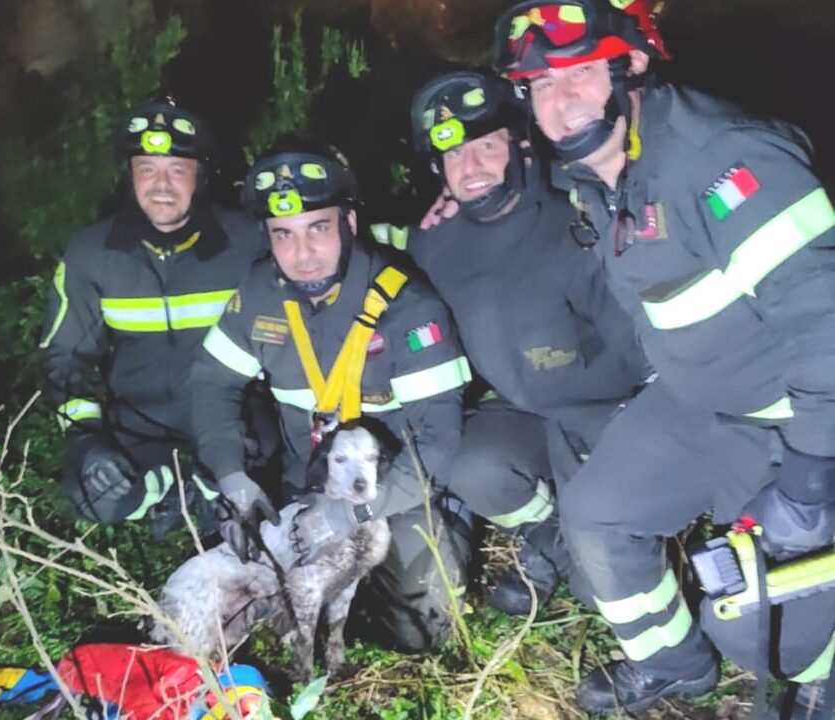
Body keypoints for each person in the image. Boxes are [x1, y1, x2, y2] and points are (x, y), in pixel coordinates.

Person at [494, 0, 835, 714]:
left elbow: (825, 323)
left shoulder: (723, 160)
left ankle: (819, 675)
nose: (559, 105)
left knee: (758, 634)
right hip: (693, 401)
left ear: (633, 65)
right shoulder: (600, 171)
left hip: (790, 421)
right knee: (596, 513)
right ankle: (677, 668)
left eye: (579, 74)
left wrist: (807, 476)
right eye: (539, 88)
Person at [373, 69, 648, 616]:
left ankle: (593, 533)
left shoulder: (581, 210)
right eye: (453, 156)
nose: (470, 169)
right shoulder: (433, 237)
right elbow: (361, 250)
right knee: (470, 467)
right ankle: (549, 531)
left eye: (486, 147)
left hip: (615, 414)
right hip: (524, 412)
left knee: (604, 591)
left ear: (522, 145)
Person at [190, 141, 473, 652]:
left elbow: (438, 448)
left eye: (318, 228)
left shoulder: (407, 307)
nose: (302, 253)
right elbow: (211, 384)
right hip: (307, 484)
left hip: (396, 491)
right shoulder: (259, 293)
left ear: (349, 223)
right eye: (283, 234)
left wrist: (349, 517)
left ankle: (449, 532)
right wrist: (233, 480)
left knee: (418, 628)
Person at [39, 99, 277, 541]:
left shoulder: (247, 239)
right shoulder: (92, 253)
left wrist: (441, 222)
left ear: (200, 175)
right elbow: (65, 357)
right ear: (129, 175)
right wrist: (86, 439)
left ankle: (209, 484)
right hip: (138, 425)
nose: (161, 185)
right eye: (147, 168)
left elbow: (322, 248)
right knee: (91, 495)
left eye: (176, 169)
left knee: (269, 457)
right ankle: (173, 488)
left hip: (232, 419)